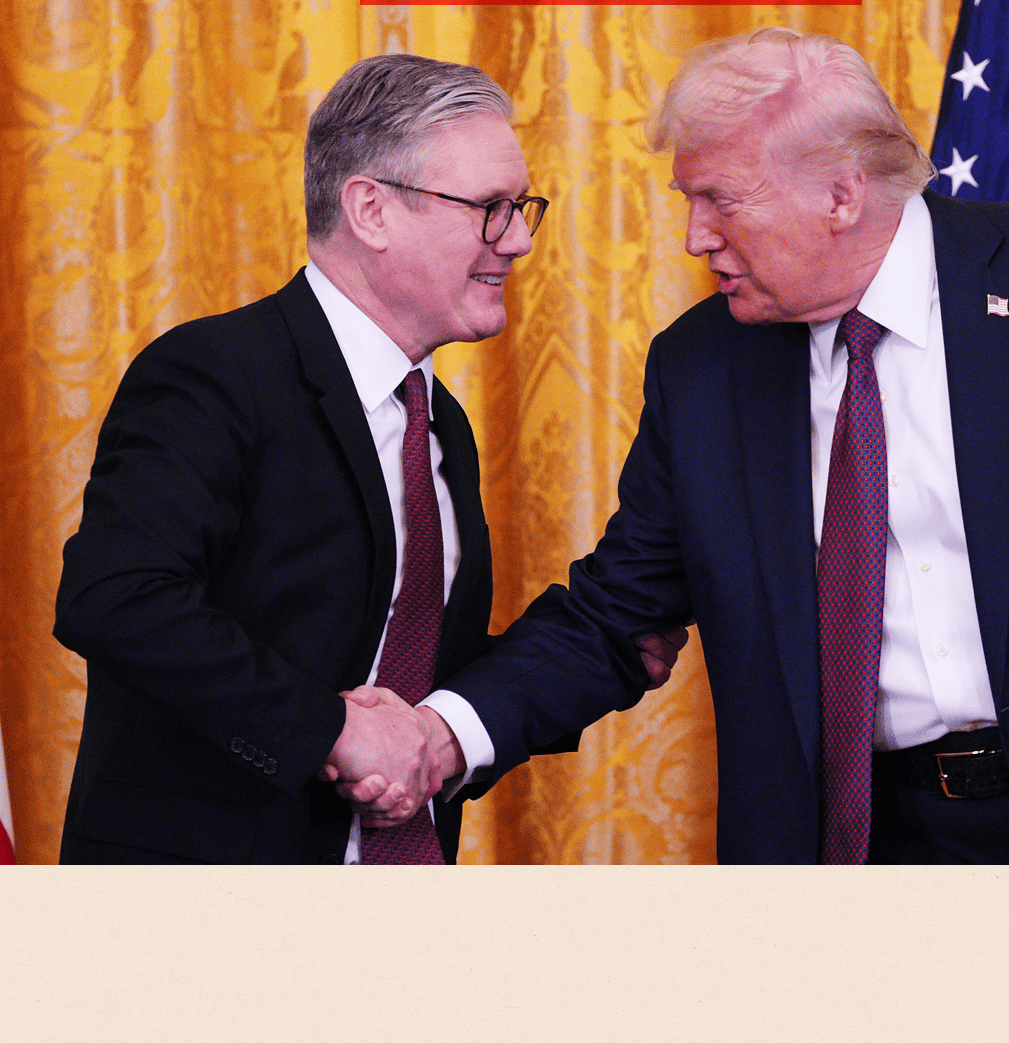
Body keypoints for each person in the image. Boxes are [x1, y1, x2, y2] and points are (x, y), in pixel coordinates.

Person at [420, 28, 1009, 863]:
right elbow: (615, 617)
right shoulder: (703, 369)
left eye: (720, 201)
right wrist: (443, 734)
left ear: (841, 193)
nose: (697, 237)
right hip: (875, 845)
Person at [54, 53, 677, 864]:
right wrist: (331, 731)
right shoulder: (215, 373)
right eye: (491, 208)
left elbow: (402, 678)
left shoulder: (439, 421)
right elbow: (116, 599)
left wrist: (601, 652)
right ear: (372, 211)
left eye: (522, 208)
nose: (520, 240)